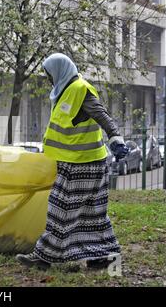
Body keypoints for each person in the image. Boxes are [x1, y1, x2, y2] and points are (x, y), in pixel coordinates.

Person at [16, 53, 128, 270]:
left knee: (60, 210)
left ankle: (43, 258)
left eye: (49, 73)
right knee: (92, 213)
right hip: (75, 163)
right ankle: (104, 258)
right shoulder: (64, 92)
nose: (48, 78)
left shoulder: (80, 90)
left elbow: (102, 115)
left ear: (59, 71)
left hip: (84, 165)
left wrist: (115, 138)